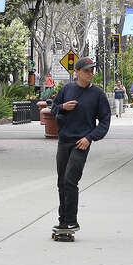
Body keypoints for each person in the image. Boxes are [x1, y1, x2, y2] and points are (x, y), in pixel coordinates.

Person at [49, 57, 110, 233]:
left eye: (92, 70)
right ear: (77, 72)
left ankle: (72, 221)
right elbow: (53, 108)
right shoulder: (67, 89)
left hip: (81, 143)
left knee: (70, 180)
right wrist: (62, 107)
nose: (90, 73)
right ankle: (63, 221)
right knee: (61, 182)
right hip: (64, 141)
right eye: (87, 70)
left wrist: (90, 138)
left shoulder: (98, 94)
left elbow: (105, 121)